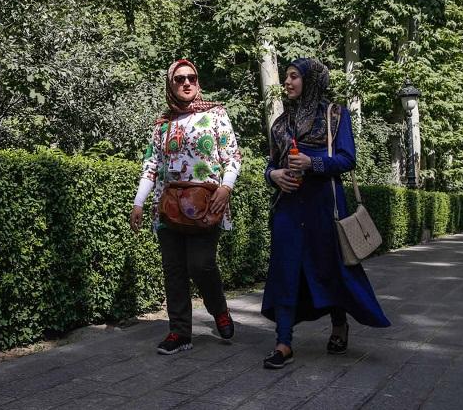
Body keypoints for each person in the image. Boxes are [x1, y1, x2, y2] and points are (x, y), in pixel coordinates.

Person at [261, 58, 390, 369]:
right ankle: (283, 343)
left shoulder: (335, 115)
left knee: (331, 268)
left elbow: (348, 159)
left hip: (324, 208)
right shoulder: (280, 124)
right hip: (288, 209)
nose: (287, 82)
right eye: (286, 76)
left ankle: (339, 323)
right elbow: (272, 164)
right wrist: (273, 176)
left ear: (311, 80)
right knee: (286, 270)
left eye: (294, 76)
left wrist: (313, 164)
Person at [130, 59, 242, 355]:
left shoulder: (215, 114)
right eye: (179, 79)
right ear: (171, 85)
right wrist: (139, 202)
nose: (186, 83)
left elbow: (232, 157)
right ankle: (179, 333)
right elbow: (151, 165)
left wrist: (226, 188)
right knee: (174, 270)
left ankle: (218, 309)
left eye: (191, 77)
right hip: (168, 207)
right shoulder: (162, 123)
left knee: (201, 264)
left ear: (198, 81)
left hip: (206, 204)